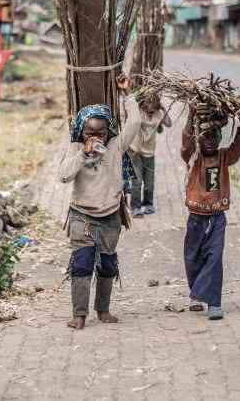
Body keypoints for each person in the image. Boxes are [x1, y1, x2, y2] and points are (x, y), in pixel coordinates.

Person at [59, 75, 141, 330]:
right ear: (82, 132)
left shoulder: (116, 147)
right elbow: (63, 175)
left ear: (108, 133)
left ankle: (103, 310)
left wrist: (127, 93)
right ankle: (79, 314)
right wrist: (83, 154)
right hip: (82, 216)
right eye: (89, 132)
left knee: (107, 265)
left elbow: (135, 121)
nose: (95, 137)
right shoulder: (76, 148)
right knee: (82, 264)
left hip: (110, 217)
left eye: (100, 133)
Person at [180, 113, 240, 320]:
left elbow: (239, 146)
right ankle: (196, 295)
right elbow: (186, 144)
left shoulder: (224, 157)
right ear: (199, 138)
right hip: (196, 219)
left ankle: (214, 303)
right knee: (192, 258)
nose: (209, 141)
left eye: (213, 136)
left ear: (220, 139)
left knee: (214, 258)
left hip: (217, 218)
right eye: (205, 136)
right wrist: (191, 116)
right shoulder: (193, 157)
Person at [128, 94, 171, 217]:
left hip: (150, 152)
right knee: (137, 181)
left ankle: (148, 203)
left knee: (149, 182)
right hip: (135, 151)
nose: (150, 113)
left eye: (153, 111)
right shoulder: (139, 113)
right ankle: (135, 207)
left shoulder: (159, 114)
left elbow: (169, 123)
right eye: (148, 110)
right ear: (143, 106)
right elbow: (131, 114)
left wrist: (163, 108)